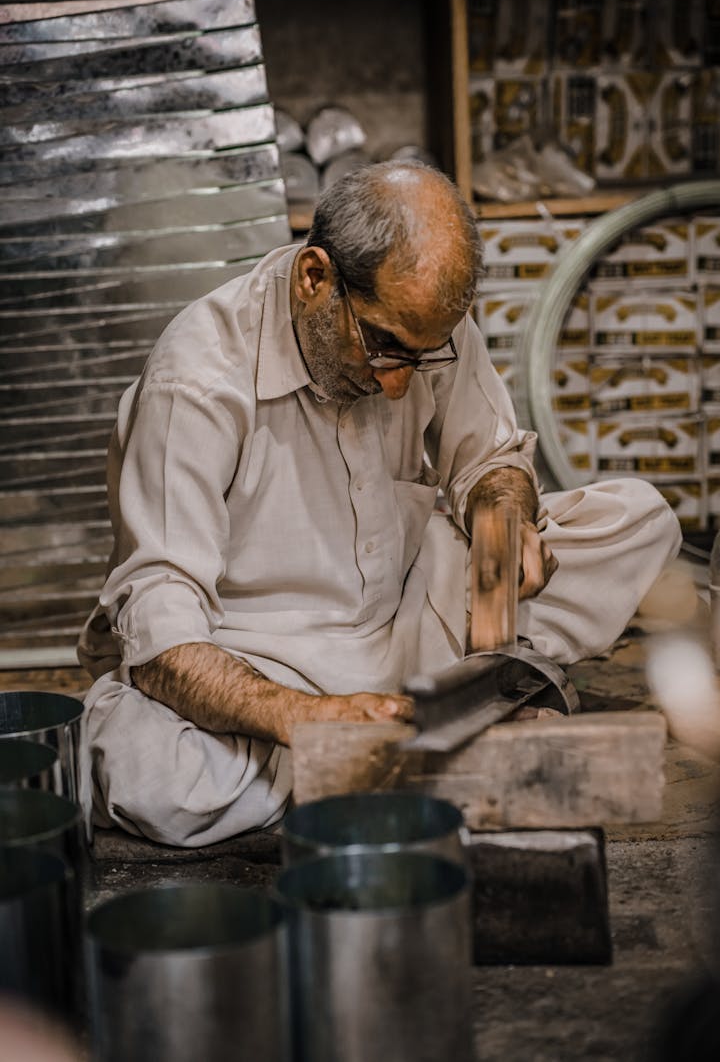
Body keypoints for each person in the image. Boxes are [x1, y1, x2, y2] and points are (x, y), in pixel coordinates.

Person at [77, 160, 682, 846]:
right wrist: (307, 717)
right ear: (315, 278)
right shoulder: (194, 380)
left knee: (638, 520)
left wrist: (503, 522)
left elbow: (490, 457)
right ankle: (428, 747)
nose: (398, 386)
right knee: (147, 774)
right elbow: (161, 633)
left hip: (409, 619)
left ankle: (389, 745)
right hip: (264, 662)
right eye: (384, 347)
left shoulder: (423, 331)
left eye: (420, 358)